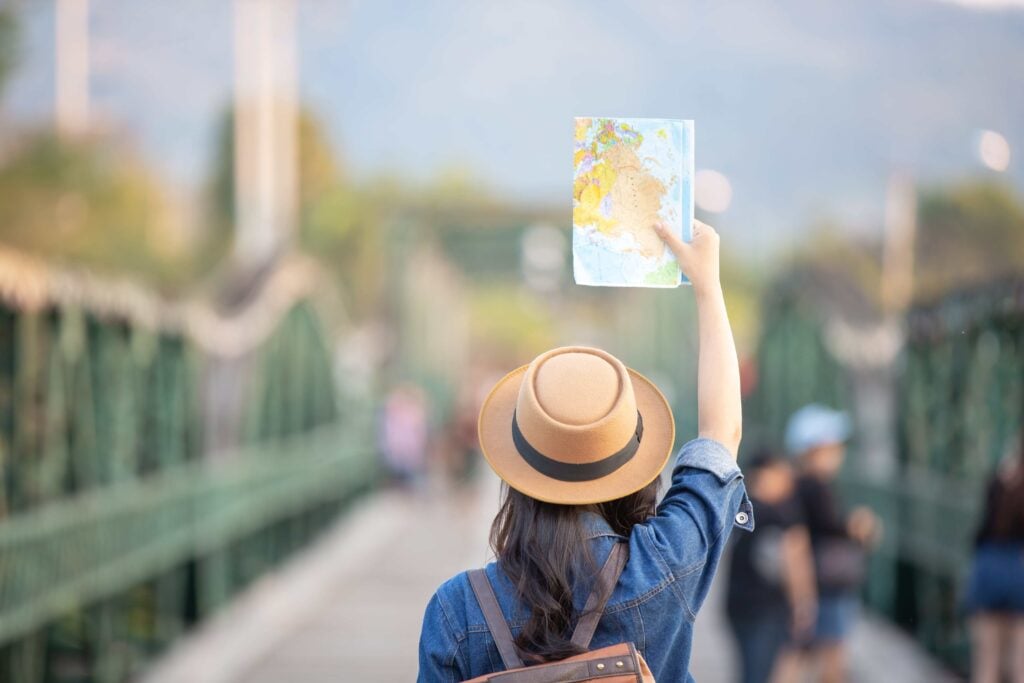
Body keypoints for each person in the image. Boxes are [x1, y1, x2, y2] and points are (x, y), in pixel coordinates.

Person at [417, 220, 753, 682]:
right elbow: (722, 433)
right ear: (632, 466)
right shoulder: (664, 565)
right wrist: (707, 287)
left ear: (518, 470)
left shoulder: (457, 609)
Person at [776, 404, 879, 683]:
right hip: (826, 582)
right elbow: (831, 526)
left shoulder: (799, 483)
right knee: (832, 656)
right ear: (815, 448)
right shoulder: (815, 485)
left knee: (802, 653)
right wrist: (858, 526)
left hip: (814, 580)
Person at [725, 451, 815, 683]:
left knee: (749, 671)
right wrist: (803, 604)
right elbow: (793, 560)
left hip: (736, 605)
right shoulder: (781, 514)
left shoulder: (740, 508)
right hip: (766, 608)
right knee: (760, 674)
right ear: (766, 475)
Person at [964, 440, 1024, 683]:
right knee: (1020, 663)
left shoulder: (998, 480)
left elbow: (982, 529)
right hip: (1019, 574)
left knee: (987, 663)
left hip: (989, 573)